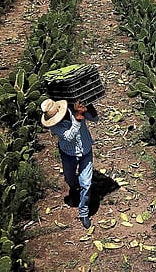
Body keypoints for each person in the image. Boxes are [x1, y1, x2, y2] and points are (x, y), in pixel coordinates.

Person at [40, 98, 98, 229]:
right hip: (68, 154)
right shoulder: (54, 127)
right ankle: (73, 188)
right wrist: (78, 118)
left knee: (86, 183)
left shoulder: (74, 109)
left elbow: (95, 119)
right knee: (70, 178)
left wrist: (89, 107)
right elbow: (69, 136)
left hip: (86, 150)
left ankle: (83, 212)